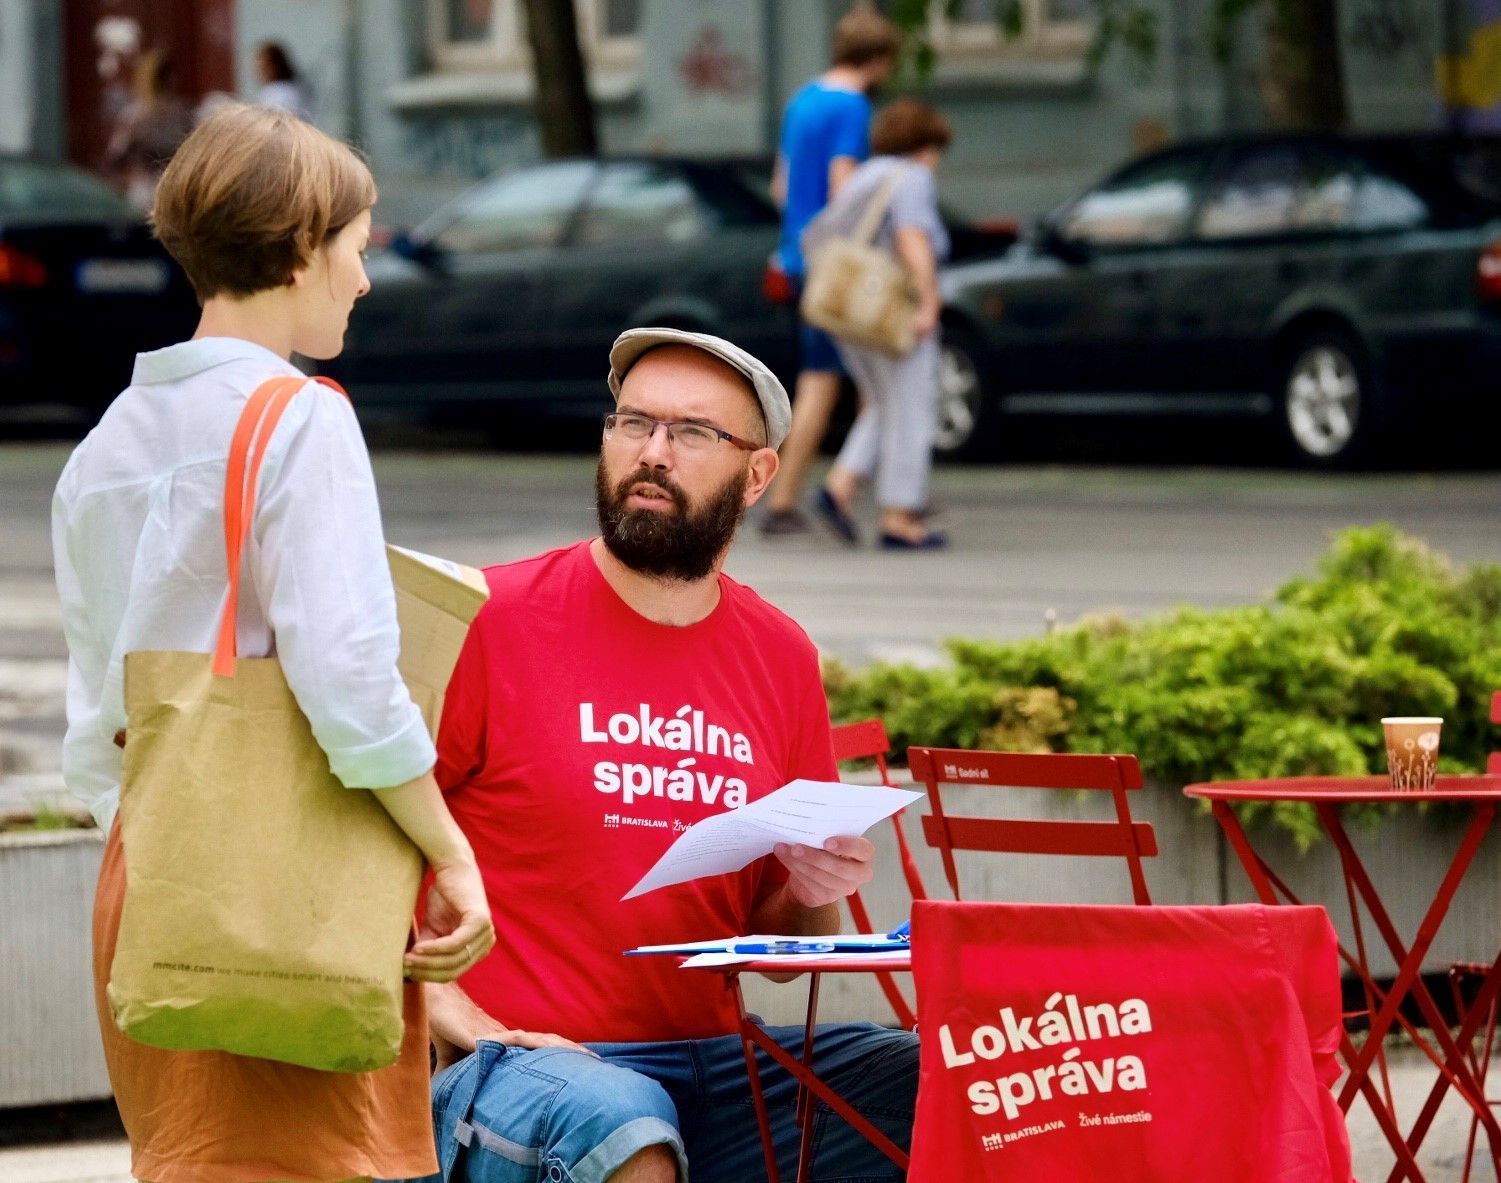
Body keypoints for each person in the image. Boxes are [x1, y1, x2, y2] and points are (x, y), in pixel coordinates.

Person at [52, 104, 494, 1183]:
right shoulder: (302, 418)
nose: (365, 276)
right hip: (281, 881)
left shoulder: (104, 446)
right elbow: (347, 680)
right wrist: (448, 849)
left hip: (154, 875)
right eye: (356, 243)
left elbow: (97, 731)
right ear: (300, 245)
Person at [420, 327, 919, 1183]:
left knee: (958, 1080)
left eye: (691, 433)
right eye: (631, 423)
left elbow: (778, 940)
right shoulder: (487, 618)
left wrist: (811, 888)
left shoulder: (779, 653)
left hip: (716, 1069)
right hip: (520, 1069)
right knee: (622, 1117)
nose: (652, 452)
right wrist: (444, 1007)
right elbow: (352, 842)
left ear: (758, 474)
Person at [760, 5, 901, 540]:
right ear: (878, 60)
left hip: (799, 257)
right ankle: (792, 502)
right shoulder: (852, 107)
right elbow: (846, 188)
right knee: (826, 384)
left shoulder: (802, 101)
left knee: (855, 380)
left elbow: (781, 187)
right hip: (836, 268)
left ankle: (873, 493)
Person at [813, 99, 954, 550]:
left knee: (881, 403)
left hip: (849, 309)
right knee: (910, 405)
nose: (936, 160)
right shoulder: (911, 178)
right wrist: (928, 301)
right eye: (935, 148)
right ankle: (899, 517)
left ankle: (840, 486)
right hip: (892, 308)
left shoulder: (865, 178)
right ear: (923, 144)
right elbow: (913, 240)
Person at [103, 50, 193, 212]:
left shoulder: (179, 114)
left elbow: (115, 157)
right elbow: (116, 158)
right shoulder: (137, 117)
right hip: (156, 190)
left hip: (162, 190)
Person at [256, 40, 316, 121]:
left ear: (276, 66)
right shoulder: (294, 88)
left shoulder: (281, 92)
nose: (261, 72)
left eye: (265, 67)